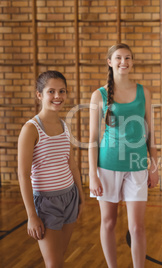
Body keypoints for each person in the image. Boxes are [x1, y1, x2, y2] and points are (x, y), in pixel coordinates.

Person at [88, 43, 159, 268]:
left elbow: (151, 134)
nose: (124, 62)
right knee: (109, 223)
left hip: (137, 165)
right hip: (107, 165)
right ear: (110, 62)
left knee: (137, 227)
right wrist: (92, 174)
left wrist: (154, 166)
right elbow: (92, 139)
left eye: (128, 58)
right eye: (118, 58)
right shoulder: (98, 95)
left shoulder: (143, 92)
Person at [17, 70, 85, 267]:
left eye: (62, 91)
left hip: (69, 197)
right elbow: (23, 174)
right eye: (51, 91)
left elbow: (71, 163)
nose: (58, 96)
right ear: (39, 94)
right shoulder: (31, 129)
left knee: (58, 259)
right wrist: (31, 215)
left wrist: (80, 196)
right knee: (54, 264)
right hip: (46, 203)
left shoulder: (64, 125)